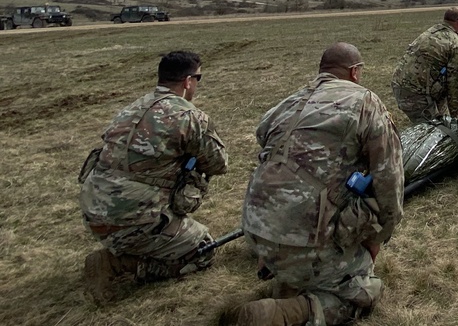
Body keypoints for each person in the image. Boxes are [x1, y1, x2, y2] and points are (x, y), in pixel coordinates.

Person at [232, 43, 405, 326]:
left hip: (255, 228)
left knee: (300, 262)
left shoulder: (288, 102)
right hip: (306, 237)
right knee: (366, 291)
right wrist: (377, 239)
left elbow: (263, 134)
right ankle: (286, 313)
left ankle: (288, 275)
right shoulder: (366, 102)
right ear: (355, 72)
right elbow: (390, 180)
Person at [79, 51, 228, 304]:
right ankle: (117, 263)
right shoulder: (188, 116)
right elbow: (219, 163)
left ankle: (130, 244)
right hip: (133, 219)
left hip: (93, 211)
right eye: (198, 78)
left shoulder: (131, 108)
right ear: (188, 81)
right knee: (203, 250)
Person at [390, 7, 458, 123]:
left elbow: (434, 63)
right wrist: (456, 116)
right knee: (432, 132)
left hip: (400, 85)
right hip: (416, 95)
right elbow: (454, 84)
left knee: (437, 122)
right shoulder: (455, 43)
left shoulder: (431, 32)